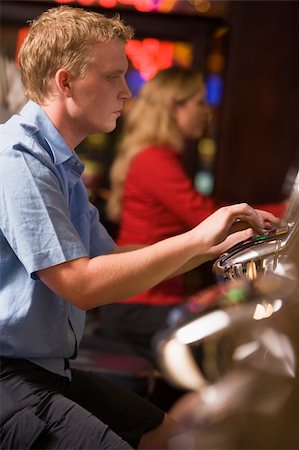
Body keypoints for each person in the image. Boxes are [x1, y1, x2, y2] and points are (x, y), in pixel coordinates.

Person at [0, 5, 280, 450]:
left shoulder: (62, 166)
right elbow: (82, 285)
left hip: (49, 367)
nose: (127, 91)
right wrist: (195, 237)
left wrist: (216, 245)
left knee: (169, 437)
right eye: (112, 76)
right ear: (65, 81)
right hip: (9, 377)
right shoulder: (19, 161)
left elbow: (111, 262)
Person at [100, 67, 285, 365]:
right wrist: (286, 210)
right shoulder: (153, 159)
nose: (207, 111)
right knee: (241, 342)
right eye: (199, 103)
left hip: (143, 297)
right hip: (138, 303)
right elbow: (203, 215)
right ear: (175, 108)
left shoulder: (157, 155)